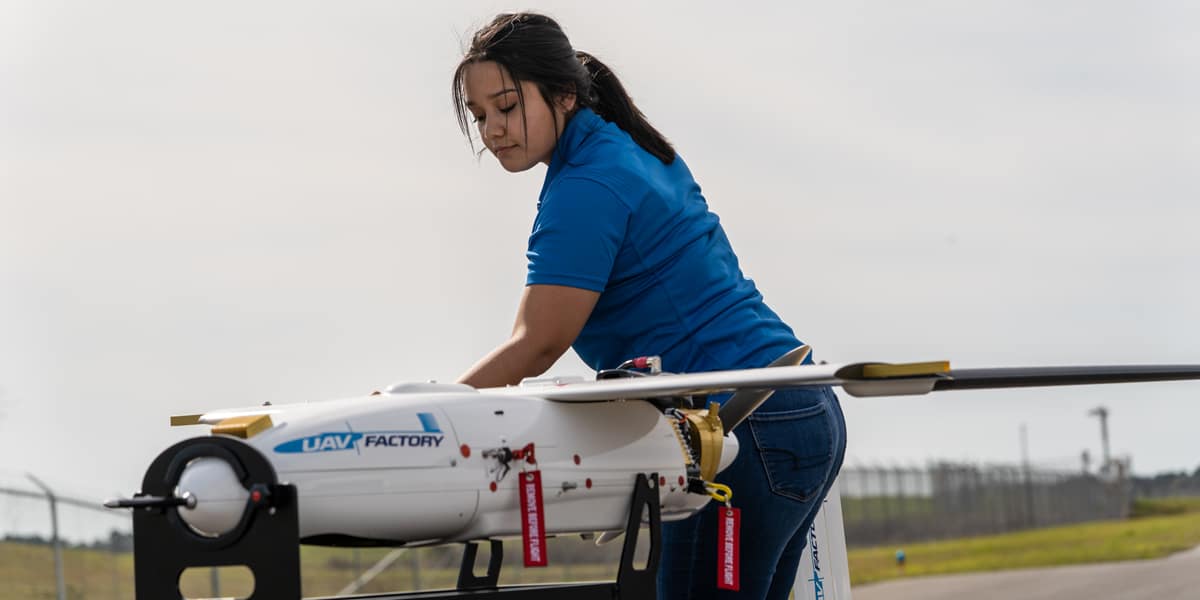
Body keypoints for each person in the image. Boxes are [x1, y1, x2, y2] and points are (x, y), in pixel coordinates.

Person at [451, 13, 846, 600]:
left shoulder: (589, 183)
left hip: (742, 428)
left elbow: (538, 341)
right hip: (797, 407)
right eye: (480, 115)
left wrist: (438, 410)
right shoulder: (630, 149)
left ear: (562, 93)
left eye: (506, 106)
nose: (493, 130)